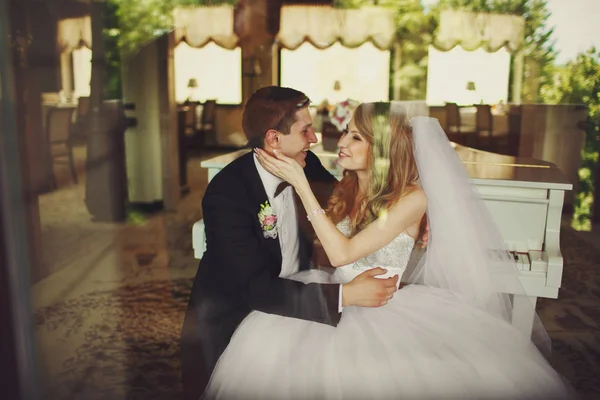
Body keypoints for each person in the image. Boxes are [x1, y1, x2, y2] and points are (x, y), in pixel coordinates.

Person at [202, 102, 574, 400]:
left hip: (384, 312)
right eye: (345, 132)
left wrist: (300, 184)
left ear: (383, 149)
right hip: (333, 297)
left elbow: (342, 252)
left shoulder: (410, 199)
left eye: (357, 138)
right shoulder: (345, 185)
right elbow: (329, 230)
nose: (336, 143)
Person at [180, 88, 405, 400]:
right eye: (305, 130)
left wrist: (406, 214)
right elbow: (256, 290)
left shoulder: (305, 163)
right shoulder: (228, 194)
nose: (314, 139)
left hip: (301, 291)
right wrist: (345, 294)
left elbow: (349, 201)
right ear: (274, 139)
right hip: (241, 311)